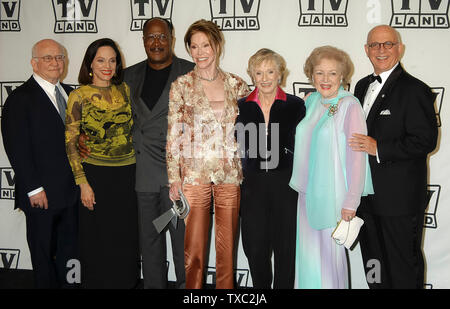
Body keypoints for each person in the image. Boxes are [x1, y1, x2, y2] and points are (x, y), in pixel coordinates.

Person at [78, 18, 194, 289]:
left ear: (171, 39)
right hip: (141, 177)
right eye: (150, 37)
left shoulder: (190, 72)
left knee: (184, 248)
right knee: (150, 246)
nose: (156, 43)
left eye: (162, 37)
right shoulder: (127, 76)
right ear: (143, 40)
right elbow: (106, 113)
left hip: (180, 179)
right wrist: (86, 135)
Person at [349, 25, 438, 289]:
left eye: (388, 44)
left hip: (399, 201)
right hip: (366, 199)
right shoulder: (361, 85)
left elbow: (426, 141)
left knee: (402, 270)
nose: (381, 50)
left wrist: (380, 148)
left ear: (399, 48)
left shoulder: (415, 90)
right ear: (366, 50)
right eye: (375, 45)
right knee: (373, 269)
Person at [166, 19, 250, 289]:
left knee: (227, 251)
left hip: (229, 176)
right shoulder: (181, 85)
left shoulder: (237, 85)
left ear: (217, 45)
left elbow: (250, 132)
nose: (200, 52)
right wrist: (174, 178)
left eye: (205, 45)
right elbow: (173, 134)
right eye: (194, 46)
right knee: (194, 250)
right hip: (194, 175)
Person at [289, 46, 374, 289]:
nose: (326, 79)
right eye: (319, 73)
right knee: (307, 259)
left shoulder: (350, 105)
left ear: (342, 76)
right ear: (311, 75)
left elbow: (357, 158)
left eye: (333, 73)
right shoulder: (310, 101)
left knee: (328, 262)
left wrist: (351, 202)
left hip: (333, 198)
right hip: (305, 195)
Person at [1, 39, 78, 288]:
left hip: (71, 192)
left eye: (59, 57)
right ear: (34, 63)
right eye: (48, 58)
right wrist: (33, 188)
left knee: (70, 251)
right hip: (41, 194)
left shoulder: (70, 93)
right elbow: (17, 148)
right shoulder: (20, 98)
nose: (55, 62)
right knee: (43, 253)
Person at [65, 38, 139, 288]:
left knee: (125, 237)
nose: (107, 65)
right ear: (90, 64)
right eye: (100, 60)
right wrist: (82, 182)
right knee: (96, 239)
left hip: (128, 174)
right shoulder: (78, 95)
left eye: (112, 60)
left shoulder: (125, 90)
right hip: (95, 175)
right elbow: (71, 142)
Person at [235, 48, 305, 289]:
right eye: (258, 72)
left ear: (280, 75)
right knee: (255, 249)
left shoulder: (296, 106)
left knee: (286, 249)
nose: (264, 78)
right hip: (252, 185)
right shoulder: (240, 107)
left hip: (286, 185)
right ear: (252, 76)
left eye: (270, 71)